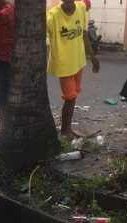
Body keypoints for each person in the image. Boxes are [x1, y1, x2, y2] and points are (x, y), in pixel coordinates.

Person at [46, 0, 100, 139]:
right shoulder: (53, 16)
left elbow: (84, 34)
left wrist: (93, 57)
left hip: (78, 61)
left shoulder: (81, 8)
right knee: (70, 98)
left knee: (73, 96)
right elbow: (41, 27)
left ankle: (68, 128)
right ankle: (65, 130)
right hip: (63, 64)